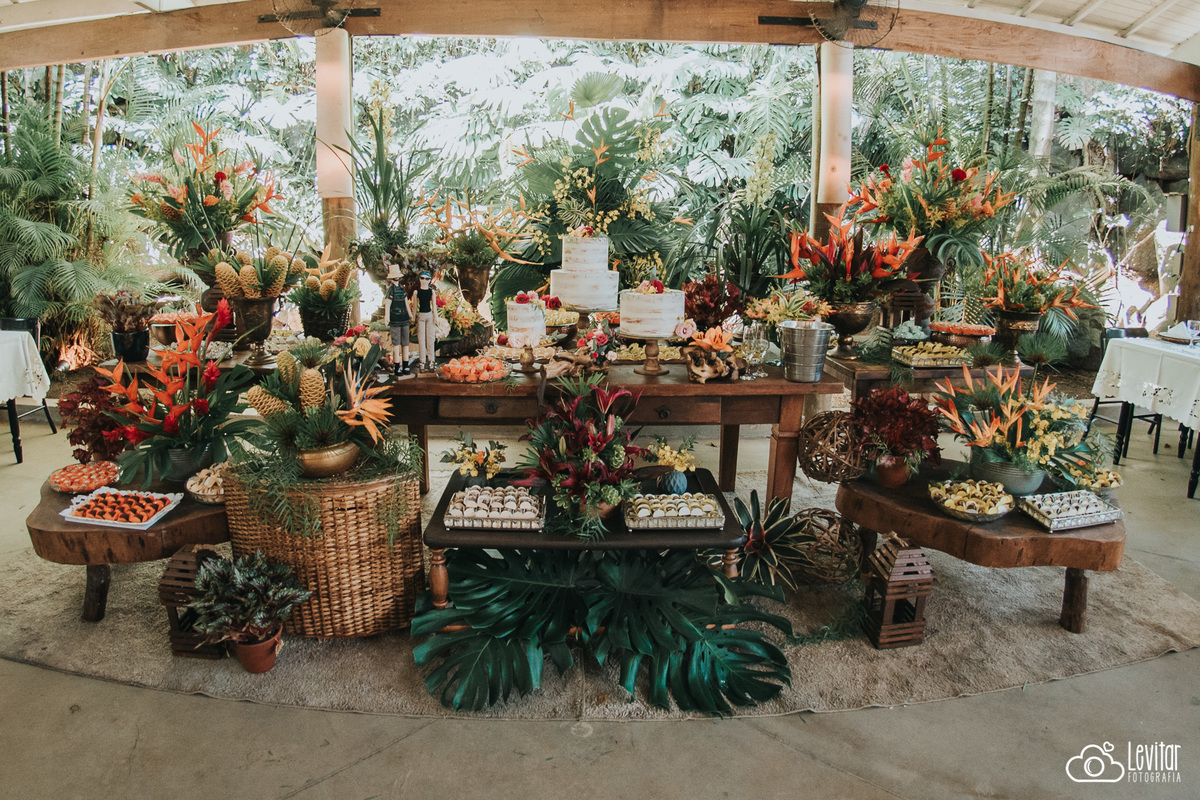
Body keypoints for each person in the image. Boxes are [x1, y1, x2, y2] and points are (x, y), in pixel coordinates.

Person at [385, 262, 411, 376]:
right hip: (395, 319)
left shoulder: (402, 290)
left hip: (404, 318)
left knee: (405, 343)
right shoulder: (390, 291)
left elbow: (406, 303)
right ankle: (397, 366)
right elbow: (387, 304)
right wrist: (387, 317)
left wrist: (410, 314)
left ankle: (406, 365)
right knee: (396, 344)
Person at [413, 270, 436, 371]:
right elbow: (415, 306)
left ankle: (431, 360)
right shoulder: (416, 292)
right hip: (421, 316)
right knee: (421, 340)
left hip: (429, 315)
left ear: (430, 280)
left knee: (430, 339)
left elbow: (434, 306)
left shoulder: (432, 291)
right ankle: (422, 361)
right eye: (422, 278)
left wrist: (436, 317)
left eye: (427, 279)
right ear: (419, 279)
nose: (424, 280)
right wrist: (413, 317)